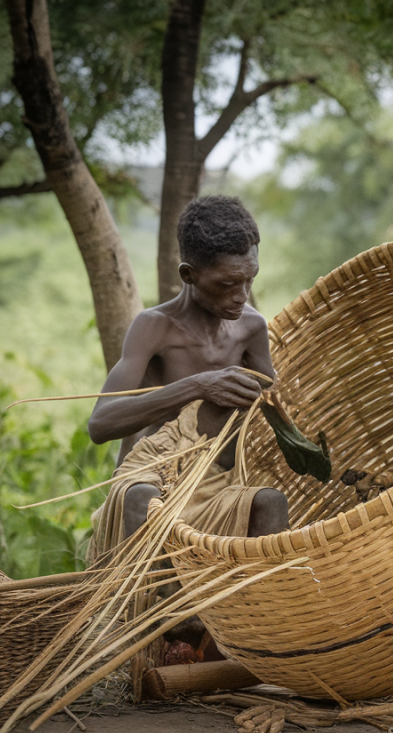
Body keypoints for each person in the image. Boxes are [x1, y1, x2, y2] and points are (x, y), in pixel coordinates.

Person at [86, 195, 289, 565]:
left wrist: (275, 408)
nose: (241, 296)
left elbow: (272, 411)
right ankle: (152, 613)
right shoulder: (154, 328)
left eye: (249, 280)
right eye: (228, 283)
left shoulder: (251, 328)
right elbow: (100, 424)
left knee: (270, 502)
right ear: (188, 275)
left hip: (217, 484)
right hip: (153, 476)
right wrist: (196, 386)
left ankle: (256, 616)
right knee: (141, 499)